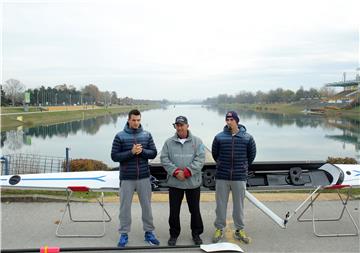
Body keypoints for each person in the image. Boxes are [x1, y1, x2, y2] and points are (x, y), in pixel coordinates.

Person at [111, 109, 160, 247]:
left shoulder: (147, 135)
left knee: (147, 207)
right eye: (134, 120)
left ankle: (149, 233)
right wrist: (131, 152)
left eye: (138, 120)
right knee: (124, 208)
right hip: (127, 178)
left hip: (144, 177)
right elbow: (114, 156)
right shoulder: (119, 136)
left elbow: (153, 153)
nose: (136, 123)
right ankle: (124, 234)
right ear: (128, 119)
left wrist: (142, 151)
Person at [211, 111, 256, 244]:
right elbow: (215, 155)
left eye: (231, 119)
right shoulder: (219, 137)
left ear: (237, 120)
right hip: (222, 176)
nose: (229, 121)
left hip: (239, 176)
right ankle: (219, 228)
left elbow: (251, 156)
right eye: (227, 119)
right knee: (220, 205)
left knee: (239, 206)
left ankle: (239, 229)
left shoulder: (247, 138)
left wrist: (242, 166)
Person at [160, 116, 205, 246]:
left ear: (187, 126)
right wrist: (175, 172)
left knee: (195, 210)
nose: (179, 127)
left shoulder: (197, 141)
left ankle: (196, 234)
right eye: (177, 125)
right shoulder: (168, 142)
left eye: (182, 125)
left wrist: (186, 172)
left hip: (192, 183)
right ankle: (174, 234)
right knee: (174, 211)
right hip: (175, 183)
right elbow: (164, 159)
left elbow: (200, 159)